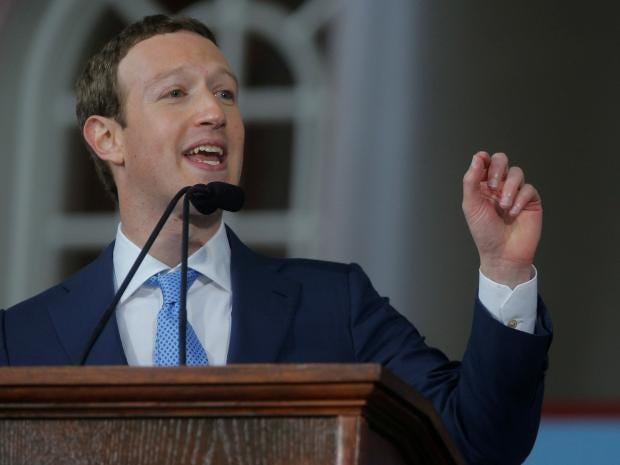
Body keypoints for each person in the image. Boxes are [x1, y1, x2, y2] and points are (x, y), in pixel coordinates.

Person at [0, 14, 552, 464]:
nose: (214, 112)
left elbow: (476, 444)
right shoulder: (19, 340)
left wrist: (504, 270)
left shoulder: (335, 305)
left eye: (226, 93)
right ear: (107, 138)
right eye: (175, 93)